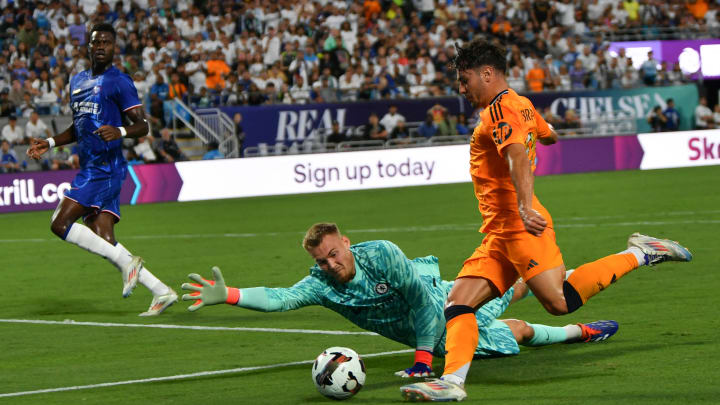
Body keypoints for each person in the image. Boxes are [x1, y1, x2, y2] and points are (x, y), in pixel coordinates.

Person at [400, 38, 693, 402]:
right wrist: (543, 135)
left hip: (520, 225)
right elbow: (549, 134)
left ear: (487, 74)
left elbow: (517, 156)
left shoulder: (499, 111)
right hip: (499, 231)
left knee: (559, 302)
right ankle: (452, 382)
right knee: (458, 303)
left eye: (465, 79)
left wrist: (524, 206)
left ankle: (642, 253)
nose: (461, 88)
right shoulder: (519, 104)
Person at [181, 223, 619, 381]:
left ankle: (555, 283)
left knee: (513, 295)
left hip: (441, 306)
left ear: (346, 243)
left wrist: (423, 358)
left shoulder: (381, 254)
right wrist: (231, 295)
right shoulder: (323, 284)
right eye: (322, 260)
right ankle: (580, 330)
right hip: (440, 329)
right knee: (517, 327)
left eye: (335, 254)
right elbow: (281, 298)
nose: (331, 264)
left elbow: (423, 306)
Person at [26, 24, 177, 317]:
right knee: (105, 239)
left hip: (105, 169)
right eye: (96, 42)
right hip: (90, 166)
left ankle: (129, 264)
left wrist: (119, 130)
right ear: (88, 47)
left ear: (114, 48)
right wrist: (51, 142)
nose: (100, 46)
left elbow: (143, 125)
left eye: (106, 42)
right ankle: (161, 291)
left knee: (59, 223)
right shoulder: (78, 81)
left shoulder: (119, 82)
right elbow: (79, 126)